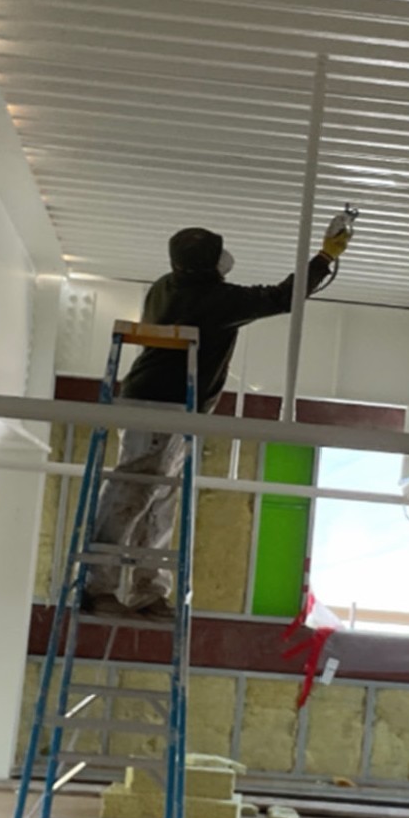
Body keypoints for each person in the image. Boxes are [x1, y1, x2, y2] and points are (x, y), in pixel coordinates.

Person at [83, 222, 351, 618]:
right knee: (135, 493)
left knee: (157, 496)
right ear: (211, 265)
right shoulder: (215, 299)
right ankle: (98, 586)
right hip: (165, 405)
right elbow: (283, 297)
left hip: (156, 403)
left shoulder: (165, 285)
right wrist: (325, 256)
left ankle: (148, 590)